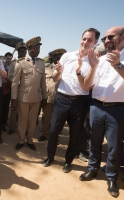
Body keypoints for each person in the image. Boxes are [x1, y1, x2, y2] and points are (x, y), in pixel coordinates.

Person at [43, 28, 100, 174]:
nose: (86, 42)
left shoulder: (94, 62)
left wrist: (79, 71)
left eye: (90, 40)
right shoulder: (67, 56)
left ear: (95, 42)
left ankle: (68, 161)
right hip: (62, 99)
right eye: (84, 38)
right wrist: (58, 71)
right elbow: (56, 79)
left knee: (75, 134)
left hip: (80, 101)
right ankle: (50, 157)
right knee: (54, 131)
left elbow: (86, 86)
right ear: (81, 39)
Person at [79, 26, 124, 198]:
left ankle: (112, 178)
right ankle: (92, 169)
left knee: (114, 146)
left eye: (111, 37)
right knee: (94, 142)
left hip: (117, 109)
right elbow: (88, 85)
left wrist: (118, 64)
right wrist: (92, 67)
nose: (107, 41)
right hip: (96, 106)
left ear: (122, 37)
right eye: (105, 38)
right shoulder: (100, 59)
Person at [11, 37, 47, 151]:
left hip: (36, 98)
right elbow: (15, 83)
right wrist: (13, 99)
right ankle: (21, 140)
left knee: (32, 122)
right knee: (22, 121)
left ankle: (30, 140)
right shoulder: (21, 63)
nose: (38, 50)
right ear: (29, 49)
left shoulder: (41, 63)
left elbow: (43, 83)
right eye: (35, 48)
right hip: (23, 98)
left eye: (39, 48)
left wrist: (45, 97)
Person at [38, 48, 66, 142]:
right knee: (46, 118)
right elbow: (42, 84)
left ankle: (54, 137)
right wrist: (43, 97)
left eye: (60, 57)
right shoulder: (46, 69)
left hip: (61, 99)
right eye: (56, 57)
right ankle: (45, 134)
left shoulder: (67, 70)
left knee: (58, 120)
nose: (58, 59)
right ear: (53, 58)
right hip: (48, 98)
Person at [7, 42, 27, 135]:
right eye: (21, 51)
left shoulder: (29, 62)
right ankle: (12, 127)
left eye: (24, 51)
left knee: (24, 111)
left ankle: (24, 128)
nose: (23, 53)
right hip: (15, 90)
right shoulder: (13, 63)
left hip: (26, 91)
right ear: (18, 52)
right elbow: (9, 76)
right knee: (14, 109)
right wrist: (16, 83)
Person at [1, 55, 11, 132]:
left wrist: (6, 81)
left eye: (4, 61)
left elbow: (12, 82)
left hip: (6, 93)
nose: (3, 62)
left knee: (5, 109)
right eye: (1, 61)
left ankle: (3, 123)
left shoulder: (8, 71)